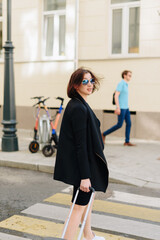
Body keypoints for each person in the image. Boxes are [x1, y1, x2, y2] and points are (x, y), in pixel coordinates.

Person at [54, 68, 109, 240]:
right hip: (83, 168)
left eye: (91, 80)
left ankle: (89, 236)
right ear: (76, 84)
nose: (90, 84)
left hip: (86, 166)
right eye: (85, 81)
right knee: (78, 208)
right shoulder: (78, 107)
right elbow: (80, 146)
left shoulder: (80, 104)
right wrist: (85, 176)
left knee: (87, 202)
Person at [102, 70, 135, 146]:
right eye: (129, 75)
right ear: (124, 75)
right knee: (119, 125)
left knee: (129, 123)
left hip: (126, 108)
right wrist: (118, 108)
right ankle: (103, 134)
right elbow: (116, 95)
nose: (130, 77)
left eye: (131, 75)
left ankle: (127, 141)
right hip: (121, 108)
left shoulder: (126, 84)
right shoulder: (121, 84)